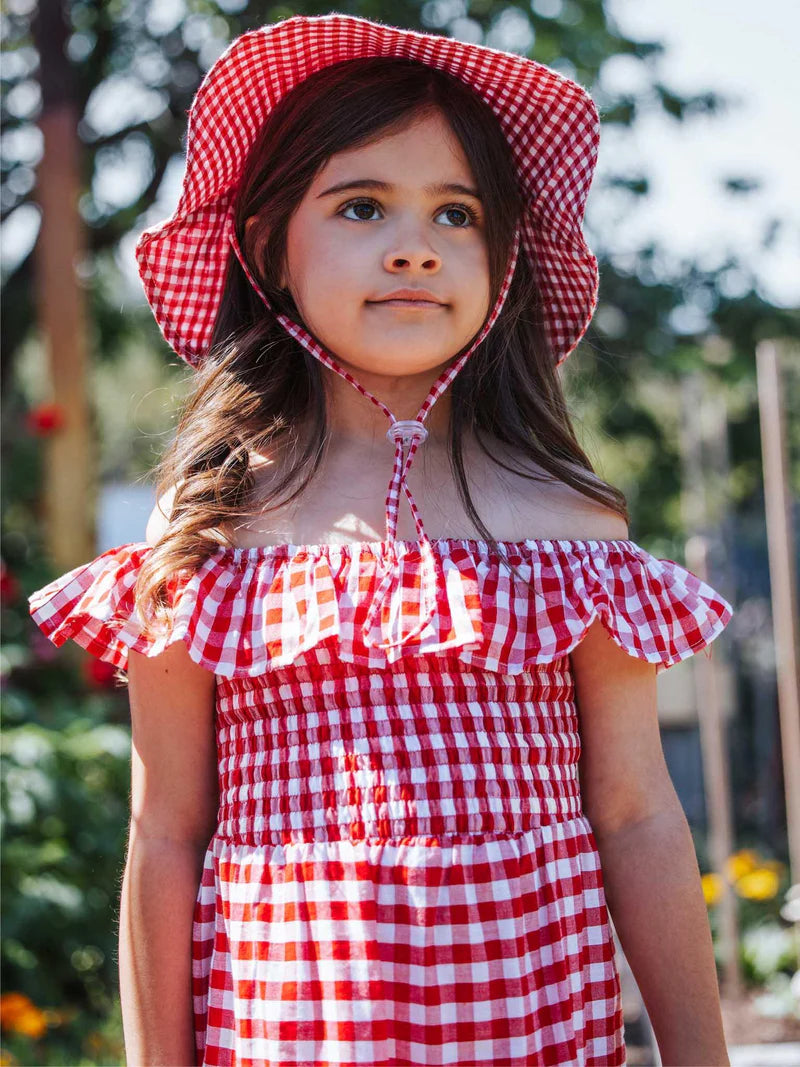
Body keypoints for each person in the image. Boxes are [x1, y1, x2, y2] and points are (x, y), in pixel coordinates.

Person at [28, 13, 735, 1067]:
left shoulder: (569, 522)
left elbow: (636, 815)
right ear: (265, 245)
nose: (415, 245)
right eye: (361, 205)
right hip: (284, 1033)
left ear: (504, 257)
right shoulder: (212, 528)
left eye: (457, 212)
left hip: (528, 1030)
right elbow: (166, 832)